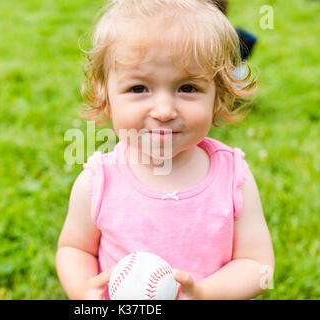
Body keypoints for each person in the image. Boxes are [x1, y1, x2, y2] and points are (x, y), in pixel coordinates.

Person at [56, 0, 275, 300]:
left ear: (219, 96)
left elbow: (257, 264)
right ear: (105, 96)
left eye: (187, 88)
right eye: (138, 88)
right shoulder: (98, 182)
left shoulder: (233, 178)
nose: (163, 110)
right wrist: (81, 288)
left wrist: (203, 294)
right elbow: (74, 248)